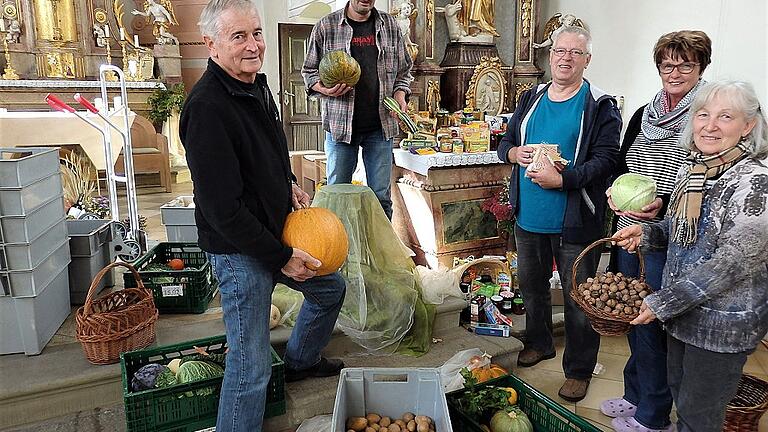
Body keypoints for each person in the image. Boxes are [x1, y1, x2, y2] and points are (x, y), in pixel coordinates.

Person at [180, 1, 346, 430]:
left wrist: (288, 181)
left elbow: (269, 151)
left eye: (256, 33)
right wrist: (280, 257)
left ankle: (300, 360)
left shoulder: (257, 85)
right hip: (239, 251)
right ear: (211, 44)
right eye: (239, 36)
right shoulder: (207, 108)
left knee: (331, 290)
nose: (253, 45)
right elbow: (222, 211)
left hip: (275, 235)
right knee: (250, 364)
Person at [614, 80, 768, 432]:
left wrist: (662, 301)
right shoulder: (695, 169)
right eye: (703, 115)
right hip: (683, 317)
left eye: (725, 117)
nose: (710, 125)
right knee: (682, 397)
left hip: (720, 326)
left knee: (699, 416)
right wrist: (648, 233)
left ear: (748, 125)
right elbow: (681, 230)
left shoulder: (756, 182)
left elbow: (733, 262)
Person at [497, 26, 621, 403]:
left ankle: (579, 369)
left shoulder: (600, 104)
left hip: (574, 219)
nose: (565, 57)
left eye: (574, 52)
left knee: (578, 299)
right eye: (559, 51)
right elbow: (506, 140)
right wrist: (513, 154)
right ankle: (539, 343)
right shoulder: (531, 96)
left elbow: (607, 160)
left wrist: (563, 179)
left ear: (587, 60)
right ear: (550, 56)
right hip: (528, 216)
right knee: (533, 289)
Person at [601, 30, 712, 432]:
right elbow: (620, 162)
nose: (675, 71)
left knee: (655, 323)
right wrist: (615, 192)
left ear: (701, 67)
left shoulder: (705, 115)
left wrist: (661, 204)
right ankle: (635, 395)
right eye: (668, 64)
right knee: (634, 314)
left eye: (686, 64)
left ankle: (654, 414)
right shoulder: (644, 113)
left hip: (670, 238)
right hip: (629, 231)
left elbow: (702, 180)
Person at [302, 0, 413, 219]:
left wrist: (400, 94)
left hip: (380, 128)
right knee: (337, 195)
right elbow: (309, 72)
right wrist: (325, 89)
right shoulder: (327, 26)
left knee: (381, 198)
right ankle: (339, 251)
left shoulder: (390, 25)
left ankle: (380, 252)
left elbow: (404, 71)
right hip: (341, 128)